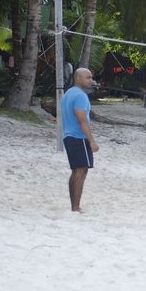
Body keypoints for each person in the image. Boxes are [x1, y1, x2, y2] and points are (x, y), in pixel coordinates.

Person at [61, 68, 99, 212]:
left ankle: (74, 205)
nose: (91, 80)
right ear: (78, 79)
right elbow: (82, 120)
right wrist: (92, 141)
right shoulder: (80, 96)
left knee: (76, 171)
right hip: (78, 138)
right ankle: (75, 207)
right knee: (80, 171)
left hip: (69, 137)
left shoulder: (68, 93)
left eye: (91, 77)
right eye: (88, 78)